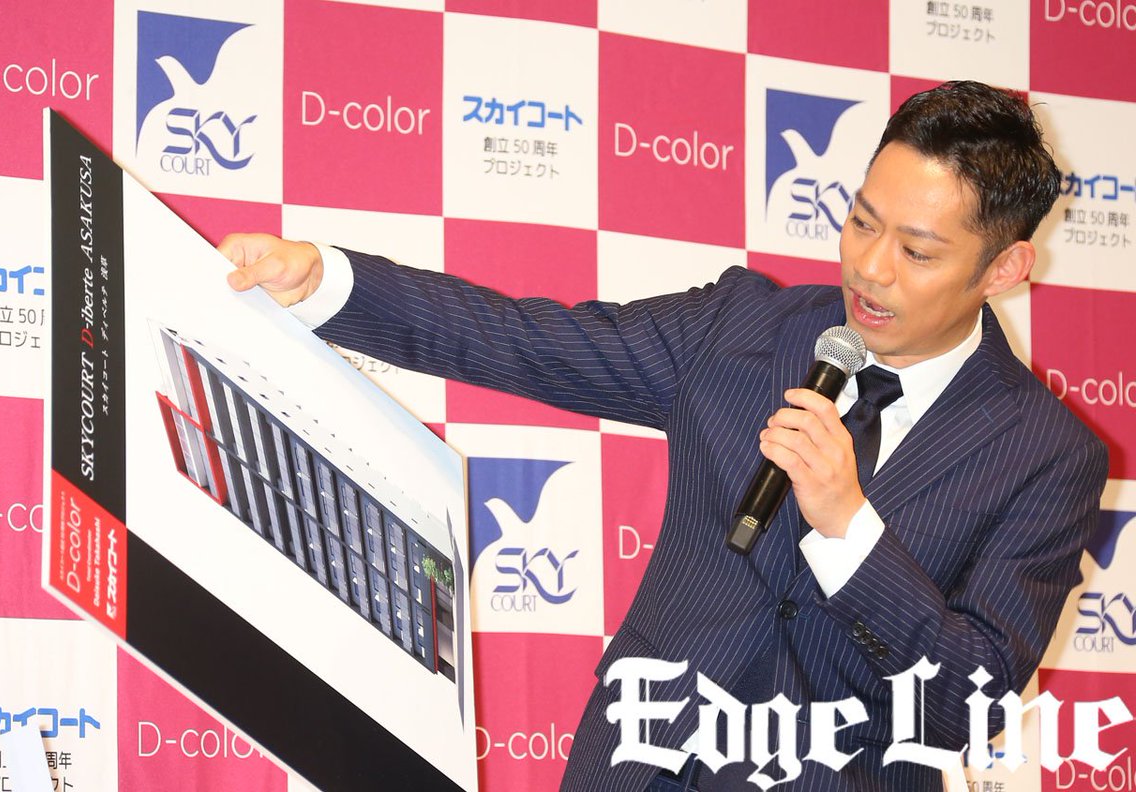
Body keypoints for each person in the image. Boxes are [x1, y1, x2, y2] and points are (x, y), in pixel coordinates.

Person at [219, 82, 1107, 791]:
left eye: (916, 252)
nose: (868, 268)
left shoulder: (1046, 455)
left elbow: (969, 705)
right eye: (862, 221)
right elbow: (524, 341)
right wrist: (328, 285)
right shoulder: (742, 331)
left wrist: (850, 530)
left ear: (1004, 268)